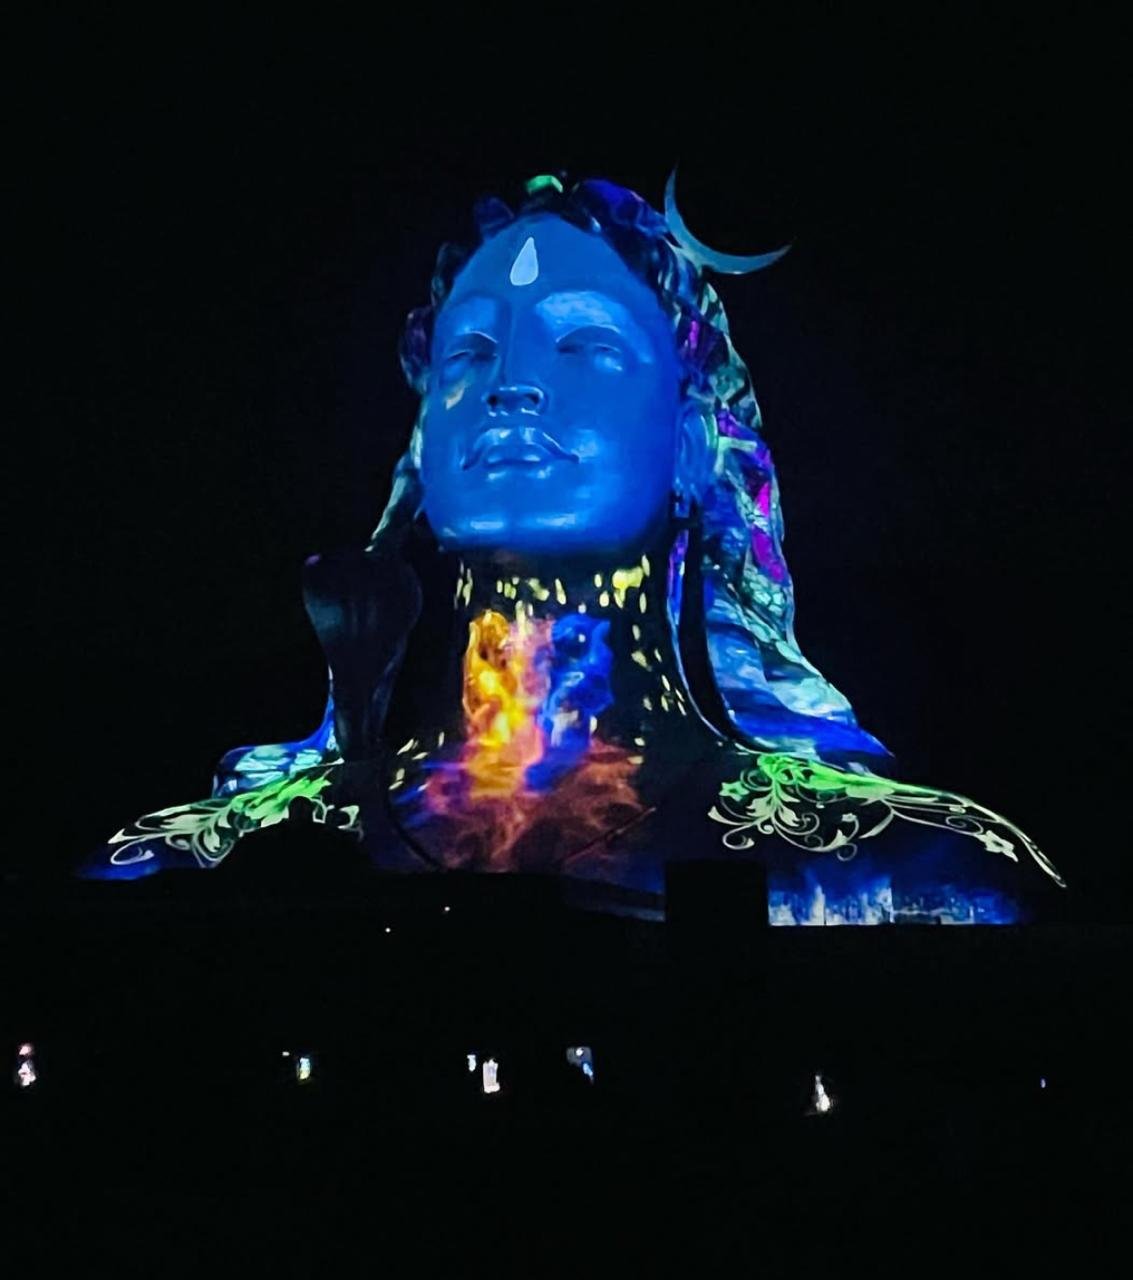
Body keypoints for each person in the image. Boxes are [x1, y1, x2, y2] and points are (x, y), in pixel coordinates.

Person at [85, 175, 1062, 923]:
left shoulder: (905, 865)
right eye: (470, 350)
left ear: (691, 443)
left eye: (584, 345)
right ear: (421, 446)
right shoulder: (214, 854)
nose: (509, 383)